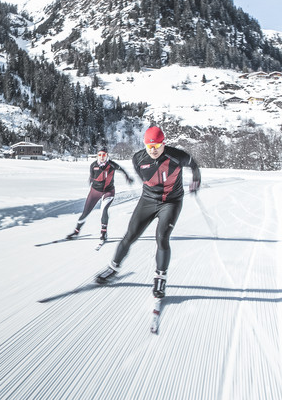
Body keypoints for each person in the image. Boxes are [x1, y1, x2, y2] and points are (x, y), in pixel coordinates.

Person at [94, 126, 201, 298]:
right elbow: (144, 177)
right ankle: (113, 268)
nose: (153, 150)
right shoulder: (138, 158)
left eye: (157, 146)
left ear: (163, 144)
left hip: (171, 202)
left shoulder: (177, 155)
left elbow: (194, 166)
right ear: (144, 145)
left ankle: (160, 277)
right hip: (148, 201)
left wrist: (196, 181)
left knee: (162, 237)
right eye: (149, 146)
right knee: (130, 235)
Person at [66, 147, 134, 242]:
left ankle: (103, 232)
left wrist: (128, 177)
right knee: (85, 213)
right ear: (97, 156)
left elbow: (122, 170)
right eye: (100, 155)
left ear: (107, 156)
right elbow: (92, 176)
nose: (102, 157)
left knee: (104, 209)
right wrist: (91, 180)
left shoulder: (112, 165)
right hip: (95, 191)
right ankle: (76, 232)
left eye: (104, 155)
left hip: (108, 191)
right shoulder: (93, 165)